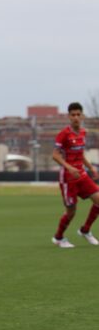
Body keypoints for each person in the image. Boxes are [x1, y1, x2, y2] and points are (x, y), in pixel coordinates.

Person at [51, 102, 99, 248]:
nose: (76, 117)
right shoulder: (64, 134)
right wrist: (69, 167)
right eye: (73, 115)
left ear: (82, 116)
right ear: (69, 116)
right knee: (71, 212)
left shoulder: (83, 132)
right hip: (68, 178)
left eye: (78, 114)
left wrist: (91, 167)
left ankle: (85, 230)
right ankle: (58, 237)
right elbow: (55, 155)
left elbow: (80, 153)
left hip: (82, 175)